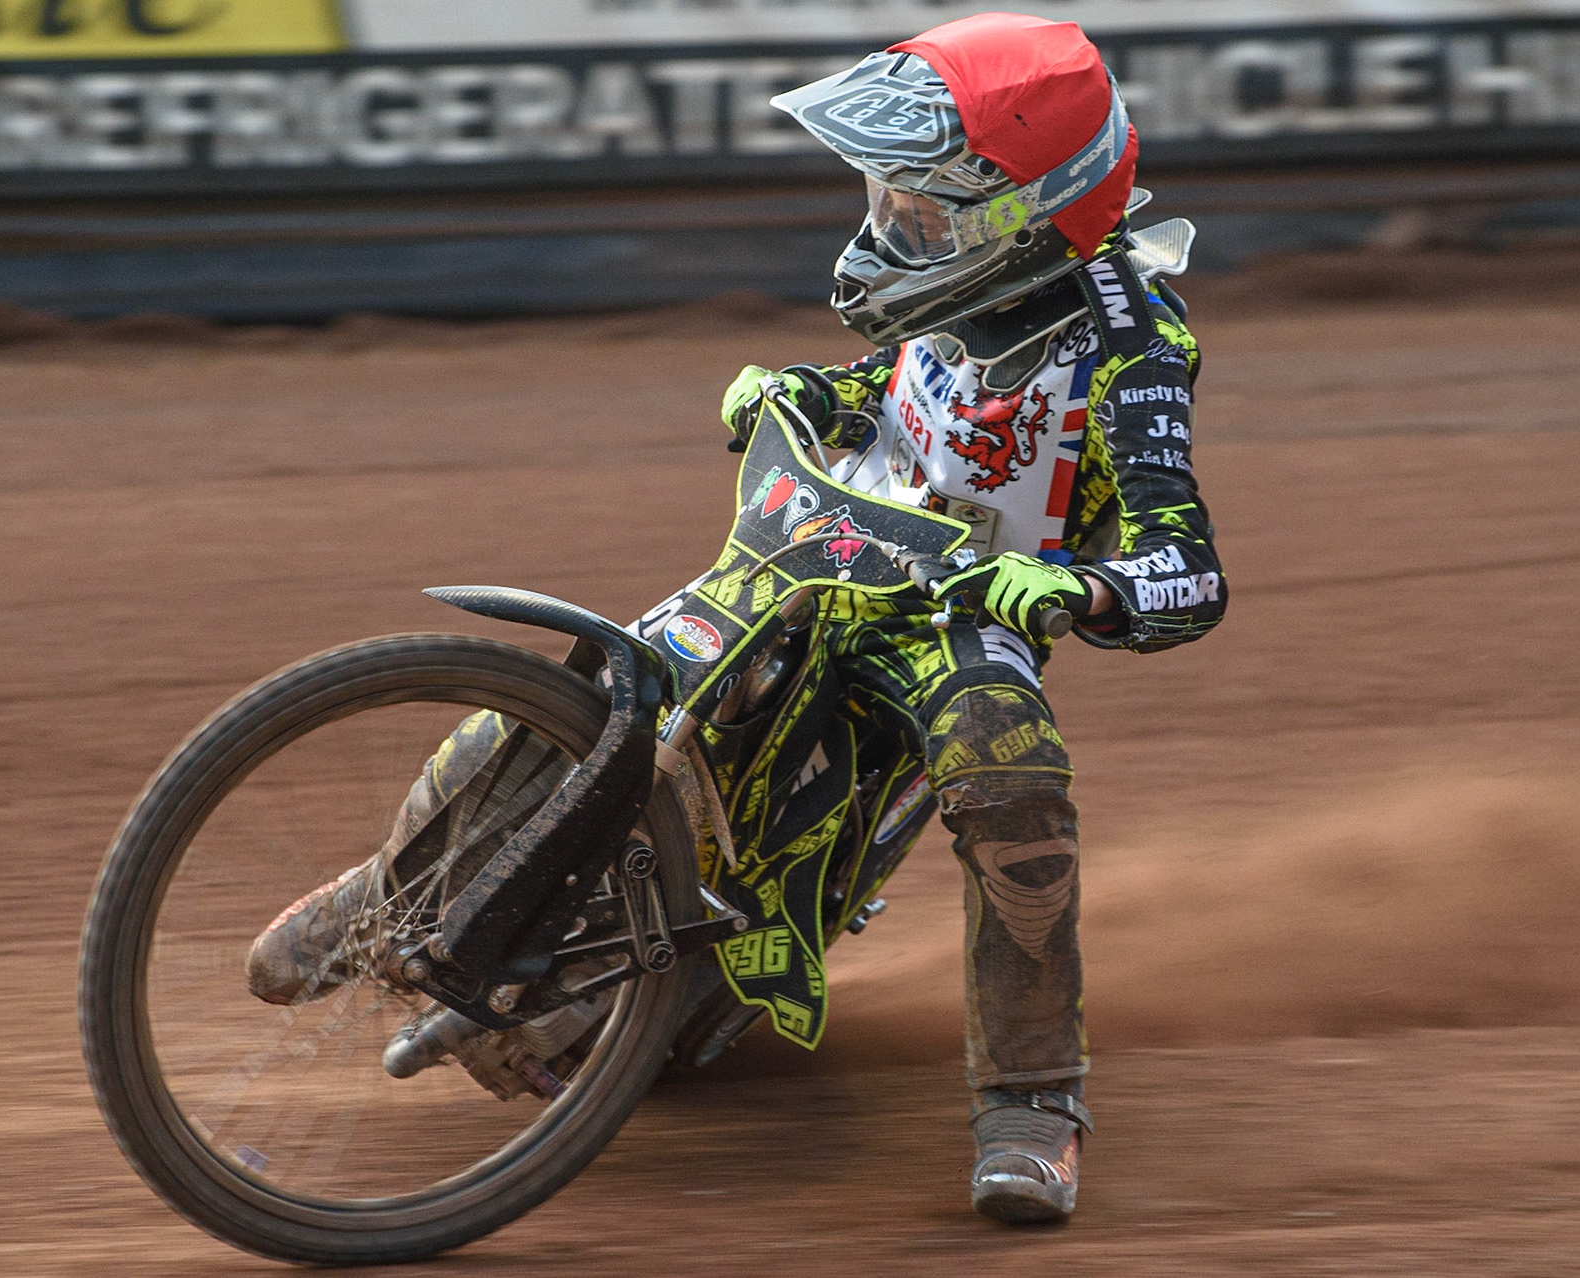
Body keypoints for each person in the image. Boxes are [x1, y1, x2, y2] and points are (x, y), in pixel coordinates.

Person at [247, 12, 1225, 1227]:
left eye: (923, 214)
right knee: (630, 677)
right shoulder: (968, 278)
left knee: (1006, 769)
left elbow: (1187, 566)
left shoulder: (1135, 344)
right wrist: (808, 391)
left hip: (960, 605)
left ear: (1024, 216)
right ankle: (385, 887)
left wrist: (1082, 589)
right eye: (890, 200)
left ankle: (1033, 1104)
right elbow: (909, 388)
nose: (891, 229)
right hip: (836, 528)